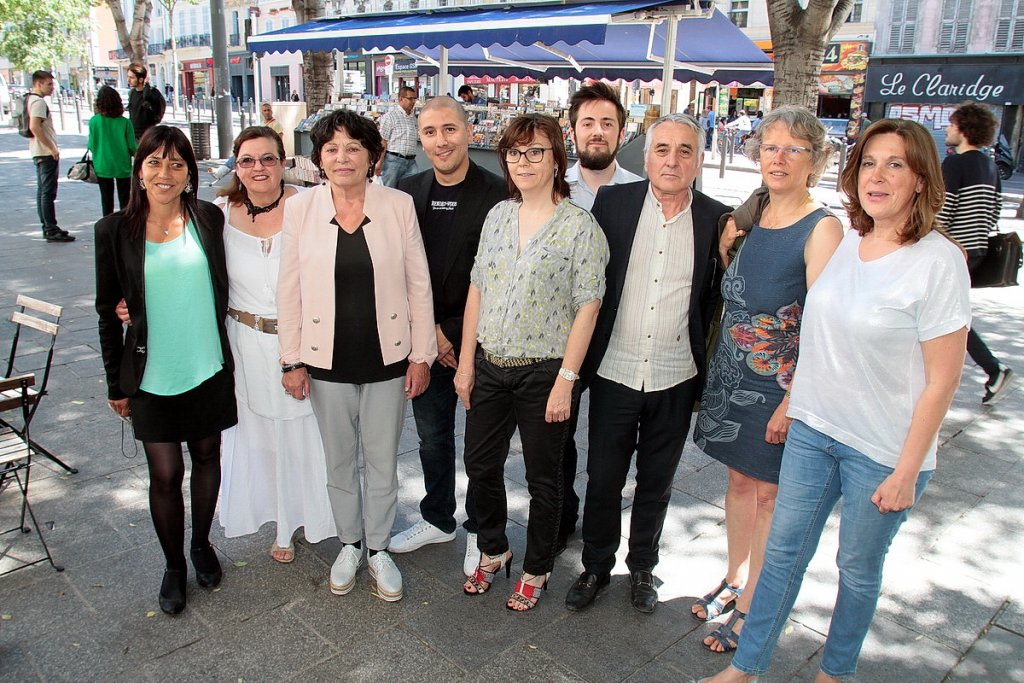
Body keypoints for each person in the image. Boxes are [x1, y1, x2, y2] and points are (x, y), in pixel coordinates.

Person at [702, 119, 970, 683]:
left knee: (856, 569)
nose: (878, 176)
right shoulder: (850, 240)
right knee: (780, 557)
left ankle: (835, 673)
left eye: (895, 164)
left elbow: (942, 380)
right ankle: (745, 668)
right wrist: (795, 404)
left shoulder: (938, 261)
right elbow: (814, 335)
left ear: (921, 178)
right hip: (815, 431)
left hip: (882, 449)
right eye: (869, 162)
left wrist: (907, 468)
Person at [691, 106, 843, 652]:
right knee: (737, 483)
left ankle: (754, 599)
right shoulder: (756, 213)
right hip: (734, 378)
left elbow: (823, 327)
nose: (777, 158)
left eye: (792, 150)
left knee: (770, 496)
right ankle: (733, 577)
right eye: (770, 146)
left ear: (815, 161)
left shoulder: (822, 227)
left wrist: (792, 401)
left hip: (779, 388)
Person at [563, 114, 729, 615]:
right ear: (647, 156)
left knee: (657, 481)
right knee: (604, 477)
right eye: (662, 150)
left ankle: (642, 568)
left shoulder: (718, 219)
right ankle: (594, 566)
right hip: (615, 368)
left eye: (685, 151)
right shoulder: (612, 204)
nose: (672, 160)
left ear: (699, 161)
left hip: (676, 374)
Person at [277, 109, 436, 602]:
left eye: (352, 147)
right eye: (331, 149)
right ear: (319, 158)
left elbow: (418, 282)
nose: (341, 157)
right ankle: (349, 543)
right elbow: (290, 289)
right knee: (340, 459)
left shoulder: (397, 204)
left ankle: (379, 548)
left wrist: (422, 354)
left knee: (383, 458)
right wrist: (292, 358)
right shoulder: (301, 208)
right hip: (325, 360)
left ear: (373, 155)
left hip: (388, 356)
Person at [455, 113, 608, 611]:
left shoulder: (580, 226)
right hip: (491, 363)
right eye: (515, 153)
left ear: (556, 158)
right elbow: (477, 286)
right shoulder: (498, 215)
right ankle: (494, 549)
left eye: (536, 151)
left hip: (545, 371)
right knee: (480, 464)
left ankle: (537, 567)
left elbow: (589, 305)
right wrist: (465, 362)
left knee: (545, 479)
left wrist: (567, 379)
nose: (524, 162)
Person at [95, 125, 237, 616]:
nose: (165, 173)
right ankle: (174, 565)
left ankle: (201, 544)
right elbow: (105, 311)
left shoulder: (209, 219)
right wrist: (116, 383)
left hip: (206, 363)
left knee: (206, 455)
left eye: (177, 163)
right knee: (165, 472)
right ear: (138, 171)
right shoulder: (113, 231)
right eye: (154, 162)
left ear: (190, 175)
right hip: (151, 372)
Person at [390, 97, 508, 577]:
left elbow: (501, 276)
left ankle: (481, 527)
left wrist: (452, 333)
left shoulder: (499, 194)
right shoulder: (407, 191)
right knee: (432, 437)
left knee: (482, 442)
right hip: (423, 342)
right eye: (431, 132)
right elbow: (395, 269)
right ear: (420, 138)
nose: (441, 141)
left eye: (449, 130)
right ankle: (438, 518)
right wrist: (428, 335)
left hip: (480, 341)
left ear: (468, 130)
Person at [214, 126, 336, 563]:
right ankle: (279, 520)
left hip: (300, 340)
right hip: (244, 340)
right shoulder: (218, 212)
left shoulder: (309, 206)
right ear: (236, 166)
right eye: (247, 160)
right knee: (259, 434)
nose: (258, 168)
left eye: (268, 158)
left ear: (284, 162)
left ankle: (313, 517)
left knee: (305, 431)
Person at [559, 80, 642, 550]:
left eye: (606, 123)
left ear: (621, 131)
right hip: (562, 335)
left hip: (622, 337)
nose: (597, 132)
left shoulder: (641, 191)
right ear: (573, 131)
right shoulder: (555, 189)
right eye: (587, 122)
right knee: (558, 437)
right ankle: (562, 517)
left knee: (610, 448)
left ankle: (601, 533)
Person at [939, 102, 1015, 403]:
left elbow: (943, 213)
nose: (947, 129)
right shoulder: (988, 166)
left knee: (949, 316)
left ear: (964, 129)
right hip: (978, 249)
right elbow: (994, 211)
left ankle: (993, 369)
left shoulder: (956, 163)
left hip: (955, 250)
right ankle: (992, 370)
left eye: (952, 124)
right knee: (949, 313)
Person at [27, 70, 74, 242]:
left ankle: (48, 226)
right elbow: (34, 126)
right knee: (47, 192)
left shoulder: (30, 99)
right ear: (38, 83)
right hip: (45, 153)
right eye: (49, 84)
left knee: (43, 191)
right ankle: (50, 228)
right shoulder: (38, 102)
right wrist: (52, 148)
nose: (52, 87)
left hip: (38, 151)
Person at [88, 85, 137, 216]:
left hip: (102, 164)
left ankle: (107, 226)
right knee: (125, 200)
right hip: (122, 165)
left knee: (106, 199)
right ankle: (125, 225)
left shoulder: (94, 121)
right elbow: (132, 146)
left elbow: (91, 145)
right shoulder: (125, 123)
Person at [376, 86, 419, 187]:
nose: (413, 102)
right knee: (389, 190)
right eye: (410, 99)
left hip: (411, 161)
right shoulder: (390, 116)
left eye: (414, 98)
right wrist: (379, 162)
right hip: (394, 160)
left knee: (414, 187)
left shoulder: (414, 118)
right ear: (401, 99)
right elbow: (383, 141)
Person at [126, 64, 166, 141]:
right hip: (133, 135)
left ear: (141, 79)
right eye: (128, 77)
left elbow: (159, 112)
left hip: (148, 136)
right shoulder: (132, 93)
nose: (128, 80)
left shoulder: (152, 93)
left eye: (131, 77)